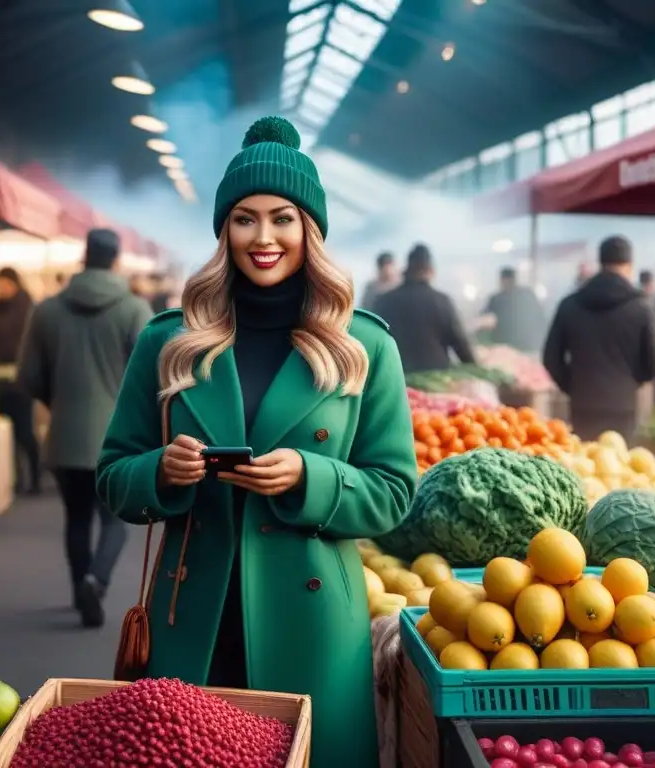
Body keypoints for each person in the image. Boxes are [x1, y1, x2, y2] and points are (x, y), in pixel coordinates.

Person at [96, 117, 416, 768]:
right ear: (223, 230)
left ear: (310, 230)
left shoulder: (366, 346)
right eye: (244, 218)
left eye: (283, 218)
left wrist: (309, 475)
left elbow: (393, 492)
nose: (263, 238)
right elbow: (111, 475)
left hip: (314, 624)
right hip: (193, 616)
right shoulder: (167, 341)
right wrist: (163, 470)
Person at [18, 228, 152, 627]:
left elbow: (28, 375)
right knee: (115, 520)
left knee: (76, 517)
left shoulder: (46, 310)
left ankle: (81, 587)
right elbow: (153, 375)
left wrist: (57, 402)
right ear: (115, 260)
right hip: (120, 438)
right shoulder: (135, 310)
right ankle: (97, 579)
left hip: (65, 433)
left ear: (83, 257)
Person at [542, 236, 655, 442]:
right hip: (623, 404)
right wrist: (632, 382)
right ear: (629, 265)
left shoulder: (570, 304)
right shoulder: (642, 307)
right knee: (617, 468)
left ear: (600, 262)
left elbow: (550, 357)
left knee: (583, 464)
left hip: (582, 403)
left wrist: (572, 385)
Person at [374, 244, 475, 373]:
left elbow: (374, 345)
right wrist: (475, 369)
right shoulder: (441, 301)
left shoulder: (384, 301)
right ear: (430, 270)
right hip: (436, 381)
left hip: (395, 380)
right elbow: (461, 345)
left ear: (407, 269)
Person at [0, 267, 41, 494]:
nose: (1, 289)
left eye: (5, 285)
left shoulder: (27, 308)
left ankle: (34, 477)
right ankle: (17, 479)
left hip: (19, 383)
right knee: (8, 436)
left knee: (24, 432)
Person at [480, 267, 546, 353]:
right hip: (504, 345)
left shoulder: (526, 295)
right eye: (504, 280)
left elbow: (538, 317)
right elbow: (486, 317)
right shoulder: (496, 299)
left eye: (508, 280)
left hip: (524, 344)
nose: (506, 283)